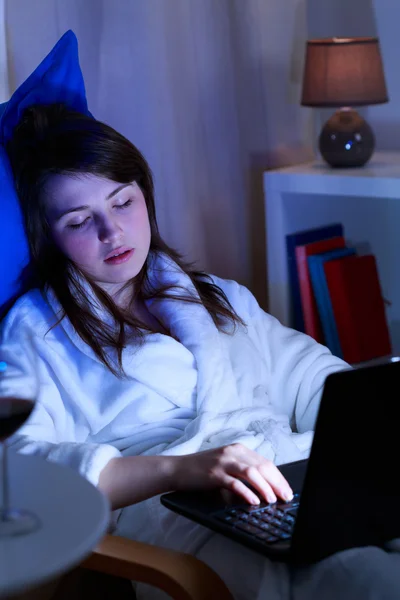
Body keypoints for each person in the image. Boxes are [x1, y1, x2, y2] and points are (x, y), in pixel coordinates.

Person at [1, 103, 398, 600]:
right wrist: (184, 468)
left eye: (123, 202)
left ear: (145, 195)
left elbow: (310, 374)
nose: (112, 232)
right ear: (48, 237)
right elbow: (22, 467)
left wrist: (373, 430)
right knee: (354, 576)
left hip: (290, 480)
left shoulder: (214, 295)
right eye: (80, 221)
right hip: (176, 512)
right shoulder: (36, 332)